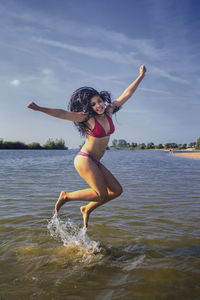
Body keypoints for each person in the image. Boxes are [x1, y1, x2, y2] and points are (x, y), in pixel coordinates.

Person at [27, 65, 146, 228]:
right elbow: (62, 113)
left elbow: (127, 93)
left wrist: (141, 76)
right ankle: (66, 196)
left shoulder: (110, 111)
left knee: (117, 191)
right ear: (90, 107)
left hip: (95, 161)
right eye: (94, 104)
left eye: (100, 101)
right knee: (100, 194)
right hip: (84, 159)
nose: (99, 105)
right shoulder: (88, 119)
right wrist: (39, 108)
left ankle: (86, 209)